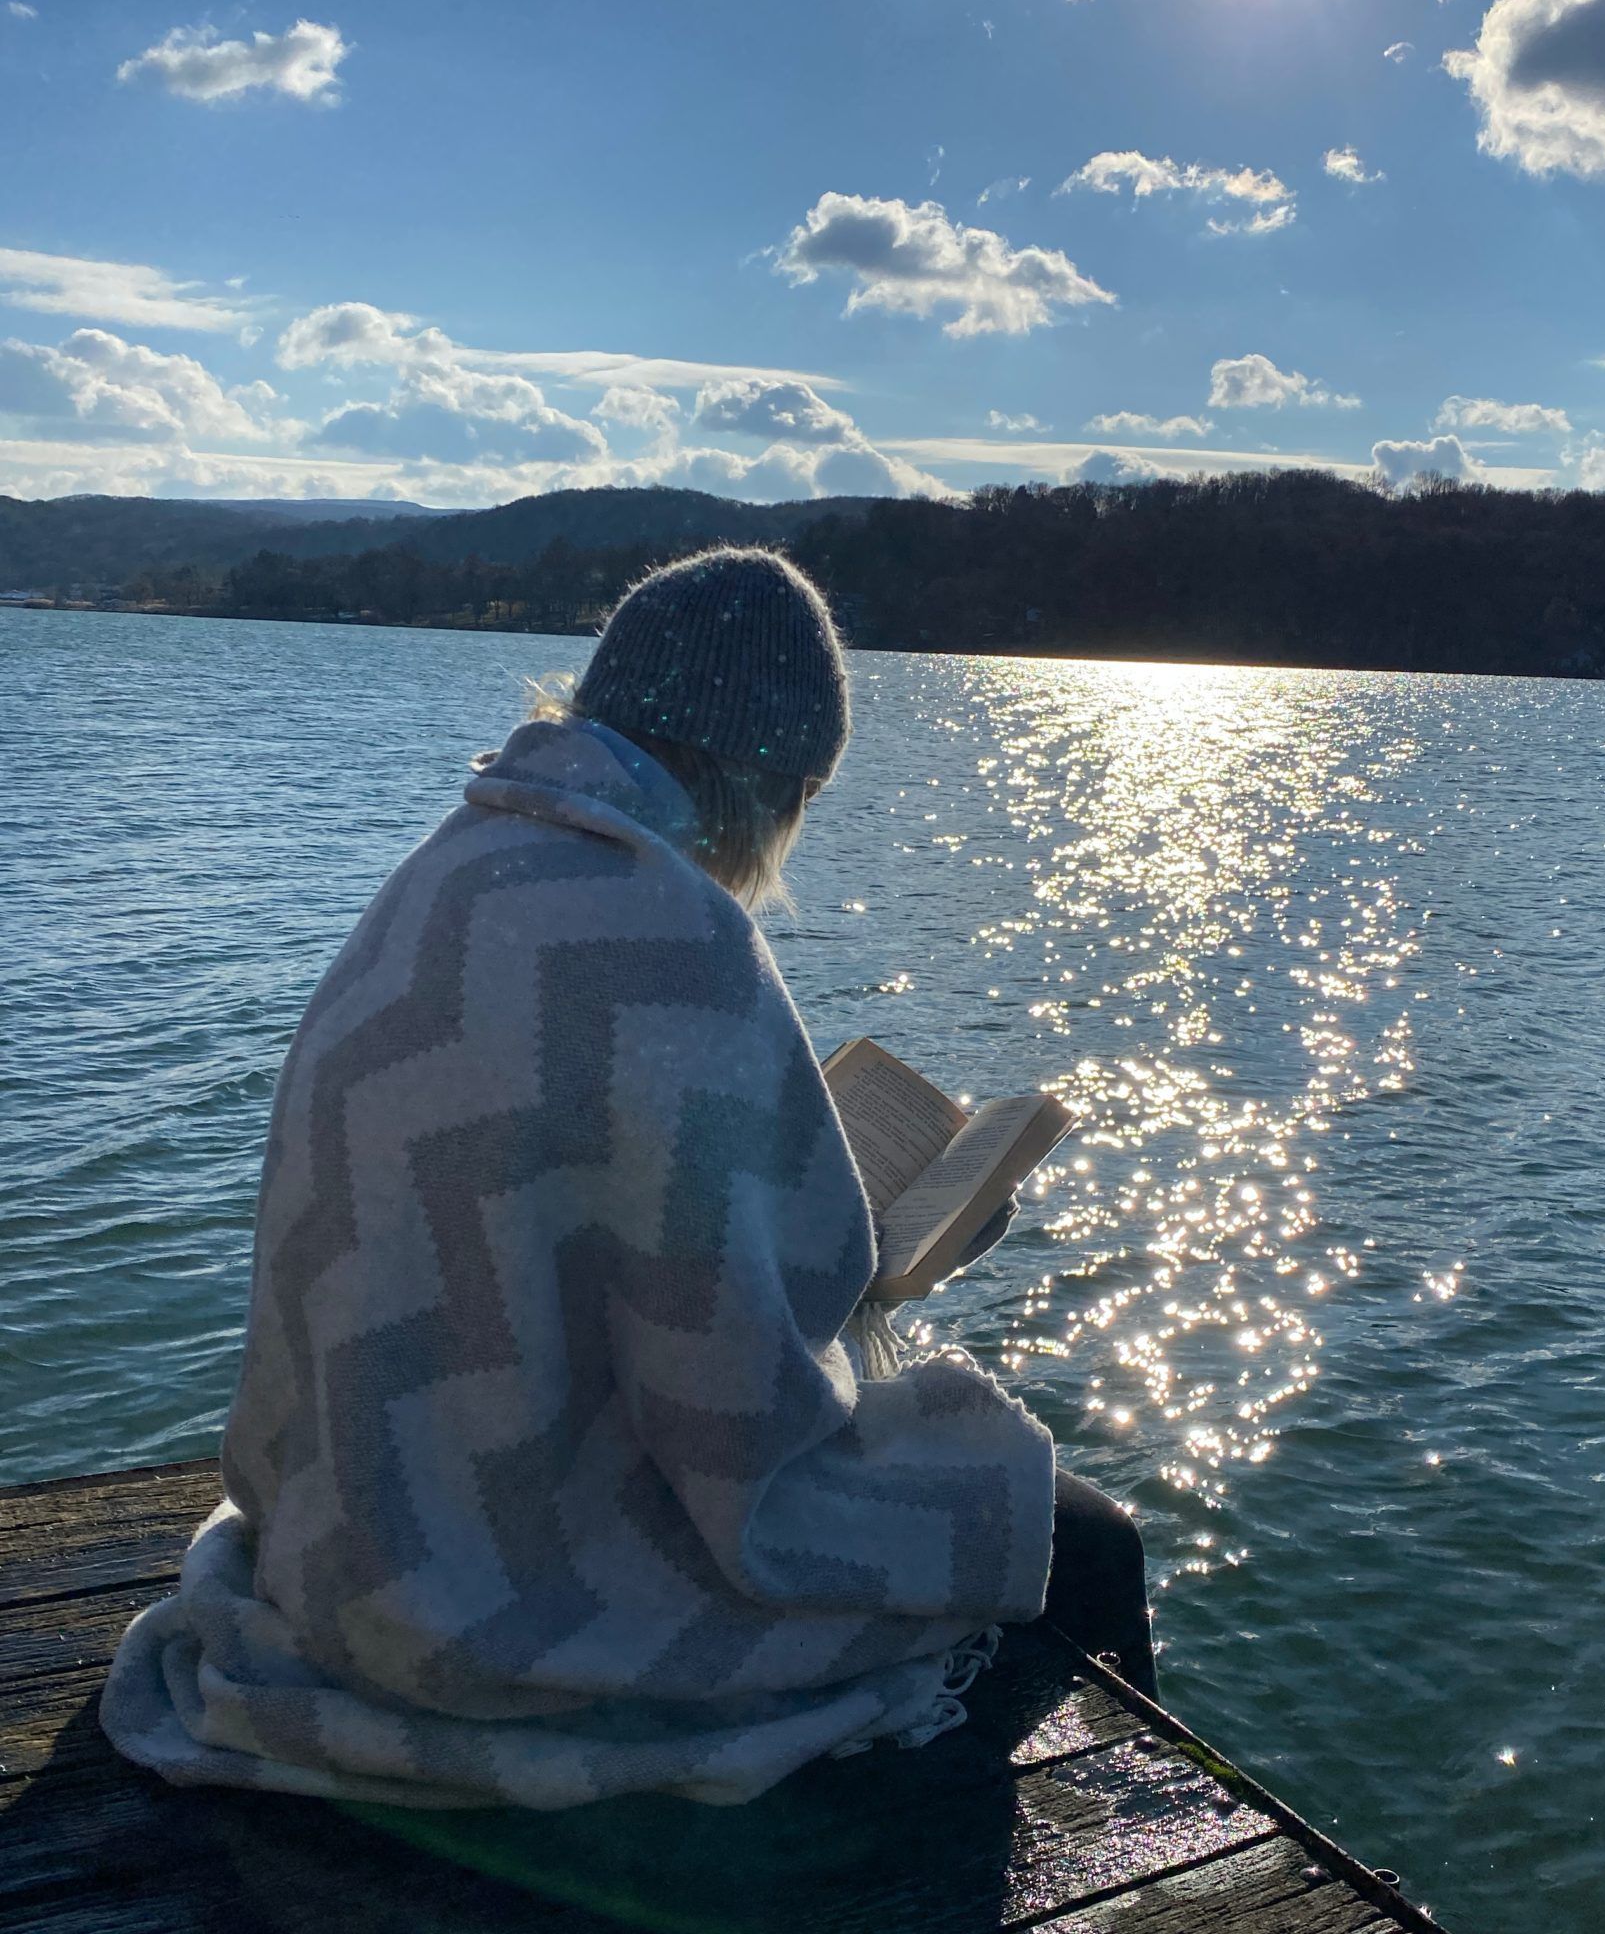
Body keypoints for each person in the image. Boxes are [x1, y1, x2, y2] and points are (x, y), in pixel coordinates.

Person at [103, 547, 1153, 1813]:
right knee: (1077, 1541)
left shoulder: (454, 866)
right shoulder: (677, 940)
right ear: (780, 781)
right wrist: (887, 1254)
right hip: (503, 1596)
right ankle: (1116, 1862)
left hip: (344, 1534)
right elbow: (735, 1418)